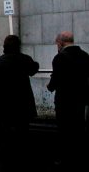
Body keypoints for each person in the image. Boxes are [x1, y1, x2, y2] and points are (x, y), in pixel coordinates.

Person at [0, 34, 39, 165]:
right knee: (23, 131)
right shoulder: (25, 60)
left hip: (3, 105)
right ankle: (22, 156)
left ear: (4, 47)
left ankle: (6, 157)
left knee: (4, 131)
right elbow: (34, 69)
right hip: (22, 104)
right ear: (18, 46)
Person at [47, 31, 89, 166]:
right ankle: (80, 156)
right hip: (80, 99)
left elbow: (56, 80)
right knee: (79, 127)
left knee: (64, 129)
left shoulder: (60, 58)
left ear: (60, 42)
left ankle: (65, 158)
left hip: (64, 100)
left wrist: (50, 86)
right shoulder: (85, 56)